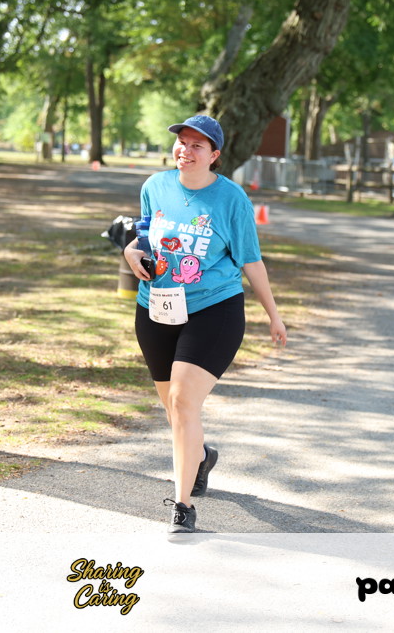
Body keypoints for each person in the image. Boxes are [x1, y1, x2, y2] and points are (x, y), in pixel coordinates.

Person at [123, 115, 287, 535]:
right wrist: (130, 253)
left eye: (198, 145)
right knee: (175, 409)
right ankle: (201, 456)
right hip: (156, 309)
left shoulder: (231, 199)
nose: (186, 150)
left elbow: (251, 259)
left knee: (182, 402)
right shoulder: (154, 186)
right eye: (182, 141)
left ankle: (182, 506)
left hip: (215, 309)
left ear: (215, 155)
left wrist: (273, 314)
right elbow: (144, 236)